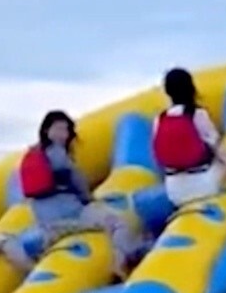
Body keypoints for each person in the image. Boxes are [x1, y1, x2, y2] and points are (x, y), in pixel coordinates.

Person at [18, 110, 142, 280]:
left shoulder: (33, 156)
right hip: (70, 217)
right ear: (47, 131)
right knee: (118, 223)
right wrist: (90, 200)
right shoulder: (58, 154)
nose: (63, 134)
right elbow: (79, 185)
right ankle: (120, 261)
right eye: (59, 129)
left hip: (46, 224)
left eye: (66, 130)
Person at [151, 67, 226, 207]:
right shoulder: (196, 114)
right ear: (191, 87)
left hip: (174, 193)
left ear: (167, 92)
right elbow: (222, 152)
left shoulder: (160, 119)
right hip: (204, 187)